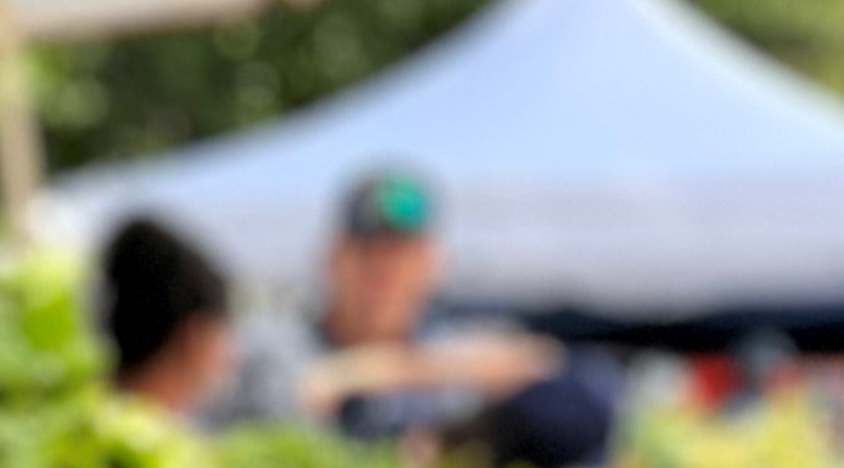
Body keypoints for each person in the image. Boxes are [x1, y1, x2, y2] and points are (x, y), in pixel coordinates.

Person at [215, 165, 556, 433]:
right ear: (333, 256)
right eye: (367, 253)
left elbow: (541, 364)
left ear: (433, 264)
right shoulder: (277, 346)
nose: (383, 273)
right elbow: (288, 402)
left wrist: (360, 372)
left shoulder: (453, 344)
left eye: (401, 256)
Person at [96, 213, 237, 418]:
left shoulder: (68, 429)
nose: (233, 355)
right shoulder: (170, 445)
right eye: (225, 333)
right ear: (196, 335)